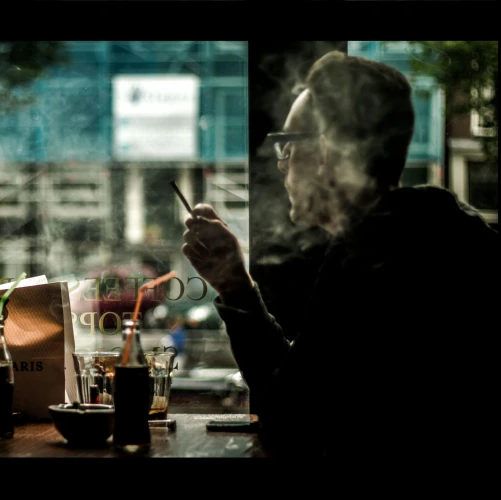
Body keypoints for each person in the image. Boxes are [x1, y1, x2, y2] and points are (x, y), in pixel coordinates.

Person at [181, 51, 498, 459]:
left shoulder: (375, 254)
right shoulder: (438, 230)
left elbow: (294, 422)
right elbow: (303, 392)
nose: (282, 165)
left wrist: (236, 289)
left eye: (289, 144)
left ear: (329, 150)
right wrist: (234, 285)